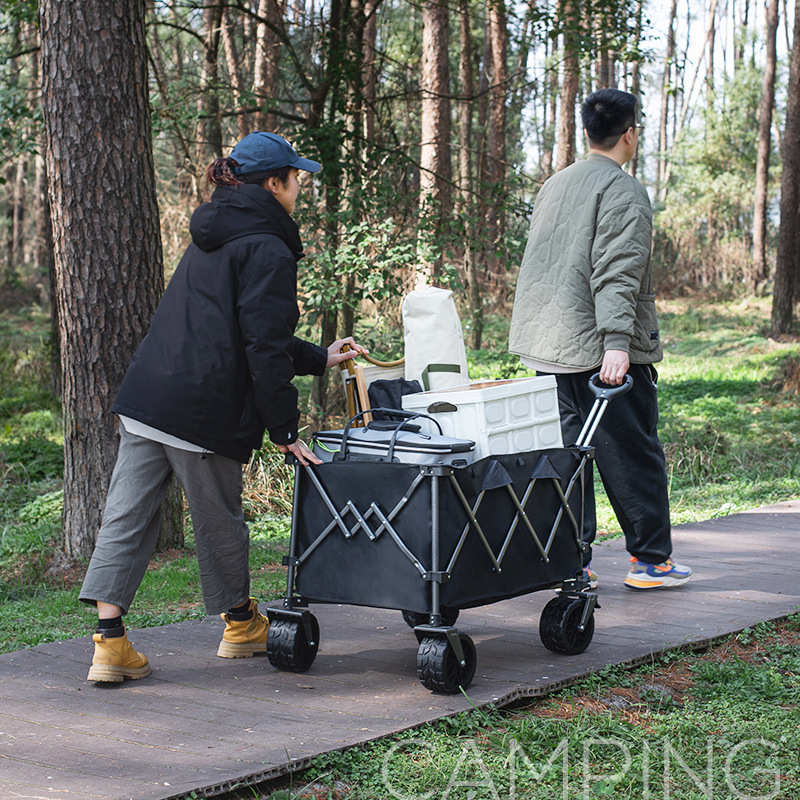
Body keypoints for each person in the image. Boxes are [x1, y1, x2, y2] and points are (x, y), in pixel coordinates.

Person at [79, 131, 366, 683]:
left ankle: (109, 645)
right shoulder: (269, 246)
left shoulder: (212, 230)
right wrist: (285, 429)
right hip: (202, 406)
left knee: (126, 515)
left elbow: (246, 332)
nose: (299, 186)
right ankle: (240, 625)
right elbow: (261, 345)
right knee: (220, 521)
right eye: (295, 177)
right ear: (273, 183)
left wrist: (318, 357)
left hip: (148, 395)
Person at [509, 89, 691, 591]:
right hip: (602, 353)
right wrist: (617, 342)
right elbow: (617, 272)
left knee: (570, 459)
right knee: (632, 454)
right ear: (629, 133)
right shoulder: (623, 190)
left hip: (550, 348)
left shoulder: (554, 184)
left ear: (588, 131)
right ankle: (651, 563)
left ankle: (573, 564)